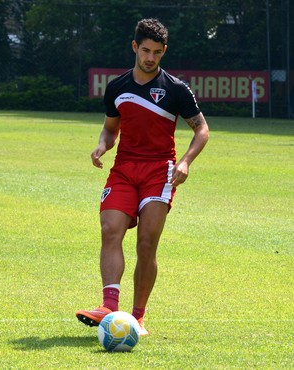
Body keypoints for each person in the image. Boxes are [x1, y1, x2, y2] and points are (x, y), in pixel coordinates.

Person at [76, 18, 209, 336]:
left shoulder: (176, 89)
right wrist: (101, 145)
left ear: (164, 52)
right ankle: (109, 306)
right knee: (110, 230)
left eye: (157, 52)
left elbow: (201, 129)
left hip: (159, 172)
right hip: (123, 169)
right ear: (135, 47)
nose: (151, 58)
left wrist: (187, 162)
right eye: (146, 50)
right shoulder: (117, 87)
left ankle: (137, 317)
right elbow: (110, 129)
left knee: (147, 243)